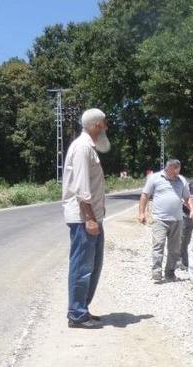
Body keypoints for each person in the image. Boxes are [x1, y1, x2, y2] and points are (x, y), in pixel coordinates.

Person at [62, 108, 110, 329]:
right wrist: (90, 219)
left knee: (93, 266)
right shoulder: (82, 147)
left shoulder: (89, 147)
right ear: (96, 125)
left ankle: (82, 309)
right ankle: (77, 314)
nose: (107, 127)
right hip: (84, 218)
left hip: (92, 216)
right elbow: (82, 188)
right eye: (105, 124)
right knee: (82, 267)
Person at [137, 159, 193, 282]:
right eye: (174, 171)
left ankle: (170, 273)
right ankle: (156, 272)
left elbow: (187, 197)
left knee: (174, 249)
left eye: (178, 171)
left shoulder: (181, 180)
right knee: (158, 245)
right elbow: (145, 196)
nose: (177, 174)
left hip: (177, 220)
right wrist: (141, 213)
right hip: (160, 219)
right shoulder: (155, 178)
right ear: (167, 168)